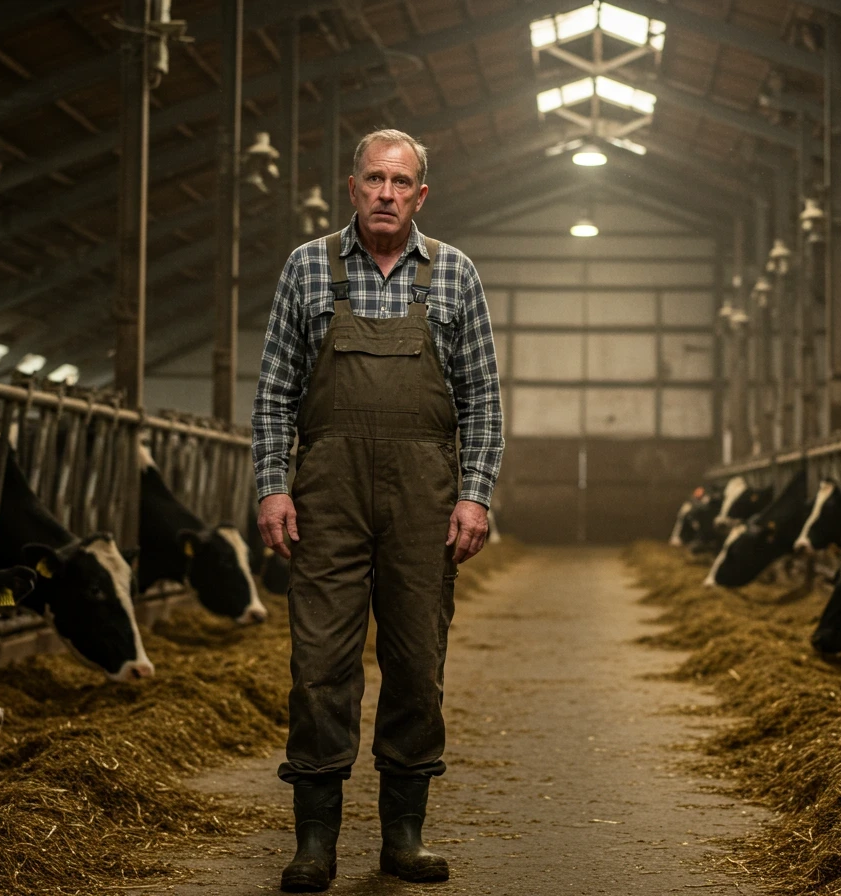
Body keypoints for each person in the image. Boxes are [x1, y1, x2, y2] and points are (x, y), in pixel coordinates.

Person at [252, 128, 504, 892]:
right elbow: (274, 394)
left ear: (420, 195)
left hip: (425, 497)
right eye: (374, 179)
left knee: (416, 664)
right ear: (352, 187)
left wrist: (475, 493)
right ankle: (316, 842)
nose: (387, 193)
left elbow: (484, 400)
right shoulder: (307, 267)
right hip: (327, 493)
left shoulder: (455, 274)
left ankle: (403, 836)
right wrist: (271, 485)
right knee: (320, 666)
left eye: (401, 182)